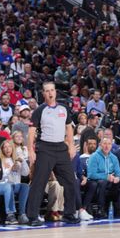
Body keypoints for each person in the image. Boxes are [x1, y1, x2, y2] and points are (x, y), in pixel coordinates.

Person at [25, 82, 80, 226]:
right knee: (39, 182)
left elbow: (69, 128)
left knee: (70, 181)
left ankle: (69, 213)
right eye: (47, 91)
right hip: (45, 148)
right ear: (43, 94)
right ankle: (32, 216)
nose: (50, 93)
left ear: (55, 92)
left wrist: (71, 146)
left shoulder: (64, 108)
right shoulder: (39, 110)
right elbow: (31, 132)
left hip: (61, 148)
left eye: (52, 90)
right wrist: (31, 150)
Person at [86, 137, 120, 218]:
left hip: (111, 181)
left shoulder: (113, 157)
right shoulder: (94, 156)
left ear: (112, 146)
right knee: (102, 182)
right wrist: (106, 177)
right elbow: (91, 174)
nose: (107, 146)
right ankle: (101, 209)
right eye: (104, 144)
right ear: (100, 145)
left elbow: (119, 173)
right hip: (97, 181)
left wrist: (117, 177)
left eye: (109, 144)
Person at [0, 139, 30, 223]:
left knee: (25, 186)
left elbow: (25, 173)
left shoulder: (16, 160)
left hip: (17, 185)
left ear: (12, 148)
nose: (7, 149)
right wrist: (10, 169)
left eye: (9, 147)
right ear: (2, 150)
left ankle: (22, 214)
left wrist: (23, 162)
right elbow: (0, 177)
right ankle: (10, 214)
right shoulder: (0, 160)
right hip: (5, 185)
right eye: (5, 147)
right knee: (10, 186)